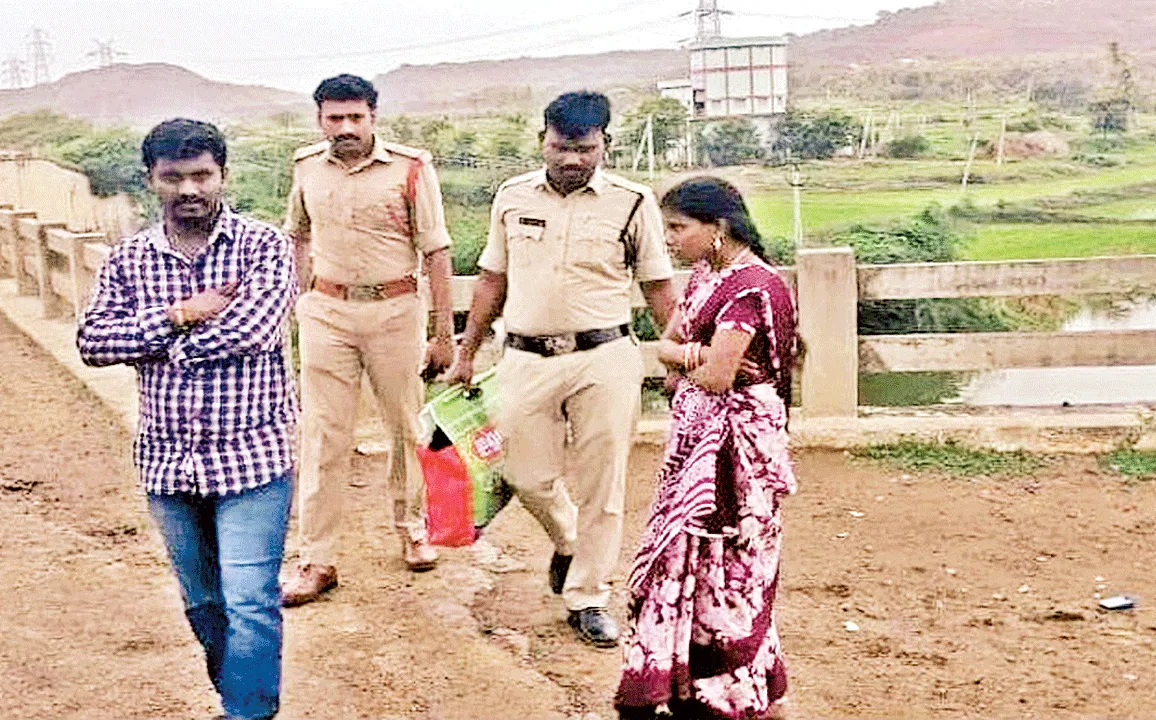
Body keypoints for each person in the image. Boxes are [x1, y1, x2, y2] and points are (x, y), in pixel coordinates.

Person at [78, 119, 297, 720]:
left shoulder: (263, 247)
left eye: (202, 175)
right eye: (173, 177)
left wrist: (156, 344)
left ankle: (247, 713)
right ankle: (242, 697)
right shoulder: (128, 259)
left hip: (252, 458)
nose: (189, 189)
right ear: (151, 179)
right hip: (168, 462)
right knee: (203, 602)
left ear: (223, 174)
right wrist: (180, 314)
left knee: (250, 599)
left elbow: (253, 332)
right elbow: (93, 342)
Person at [448, 91, 678, 647]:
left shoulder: (632, 202)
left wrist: (676, 359)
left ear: (605, 144)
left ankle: (589, 596)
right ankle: (569, 540)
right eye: (560, 147)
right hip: (525, 358)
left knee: (604, 482)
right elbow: (492, 280)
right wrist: (466, 351)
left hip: (605, 357)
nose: (572, 159)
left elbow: (658, 288)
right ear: (542, 142)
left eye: (585, 149)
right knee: (523, 473)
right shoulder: (512, 196)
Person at [615, 177, 798, 720]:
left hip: (735, 449)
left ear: (717, 227)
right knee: (689, 553)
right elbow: (669, 345)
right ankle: (702, 684)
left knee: (729, 557)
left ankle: (728, 691)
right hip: (696, 441)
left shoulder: (751, 288)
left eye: (678, 228)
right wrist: (694, 355)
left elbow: (716, 376)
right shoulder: (704, 276)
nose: (669, 239)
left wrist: (686, 359)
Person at [281, 74, 456, 606]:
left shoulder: (411, 168)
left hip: (395, 311)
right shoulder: (307, 167)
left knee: (405, 425)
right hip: (327, 311)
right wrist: (297, 303)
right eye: (334, 118)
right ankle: (316, 558)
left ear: (373, 117)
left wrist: (443, 332)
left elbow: (436, 251)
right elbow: (297, 235)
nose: (346, 128)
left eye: (355, 117)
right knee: (323, 434)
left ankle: (413, 529)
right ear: (319, 120)